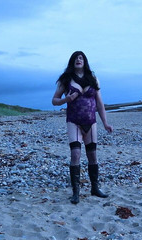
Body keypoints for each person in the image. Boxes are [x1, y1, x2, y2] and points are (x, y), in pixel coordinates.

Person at [52, 51, 113, 204]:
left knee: (92, 156)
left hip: (91, 122)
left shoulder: (93, 79)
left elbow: (99, 103)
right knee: (76, 155)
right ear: (72, 62)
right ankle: (76, 193)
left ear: (85, 61)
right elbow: (54, 100)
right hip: (73, 121)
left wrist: (105, 123)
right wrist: (67, 98)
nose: (79, 60)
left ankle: (95, 188)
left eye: (81, 58)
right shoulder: (65, 80)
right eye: (76, 58)